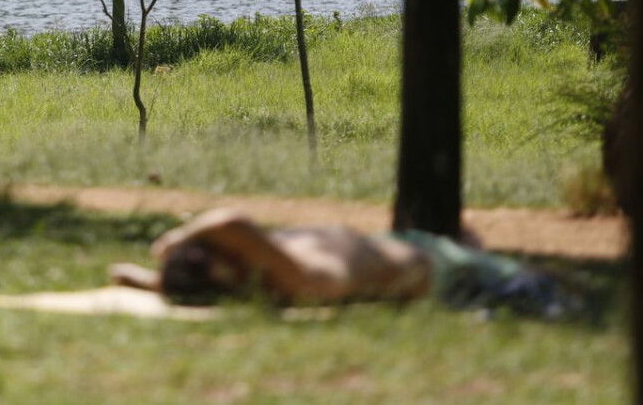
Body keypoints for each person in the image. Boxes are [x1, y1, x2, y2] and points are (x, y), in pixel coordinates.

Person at [109, 209, 578, 317]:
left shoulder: (259, 271)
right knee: (538, 281)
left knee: (466, 238)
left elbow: (222, 264)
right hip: (436, 268)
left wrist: (153, 282)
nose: (226, 249)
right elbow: (233, 223)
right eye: (220, 255)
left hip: (397, 245)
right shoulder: (304, 281)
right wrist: (174, 239)